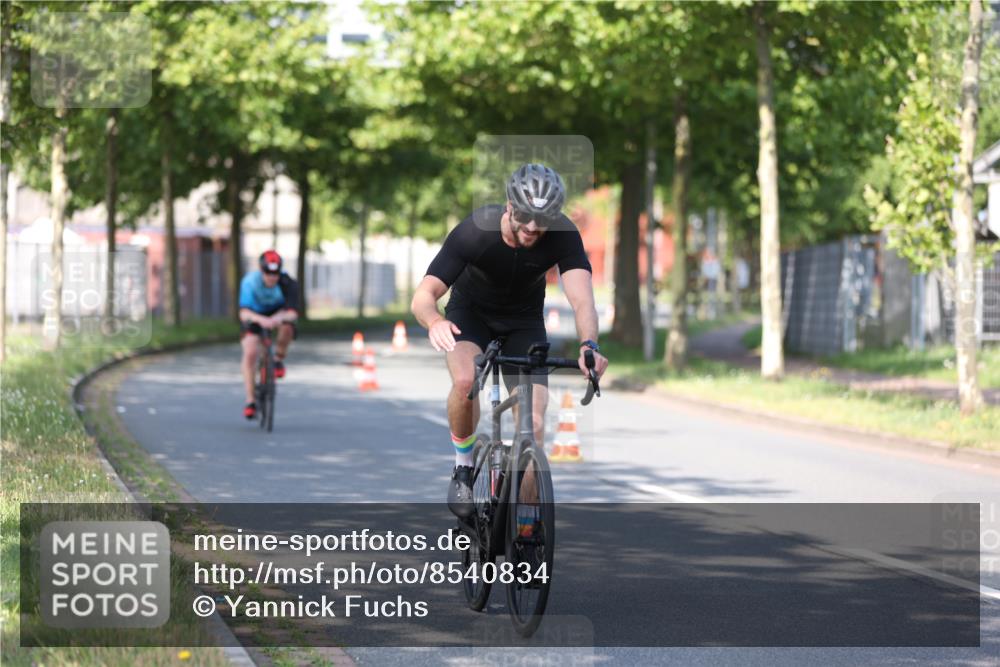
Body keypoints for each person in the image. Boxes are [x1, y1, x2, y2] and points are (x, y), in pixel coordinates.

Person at [411, 164, 609, 518]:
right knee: (466, 380)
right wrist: (435, 320)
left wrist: (588, 346)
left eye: (543, 218)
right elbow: (424, 295)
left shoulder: (563, 234)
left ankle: (526, 525)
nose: (533, 227)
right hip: (470, 318)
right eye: (525, 216)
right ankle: (463, 465)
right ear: (508, 206)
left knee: (531, 426)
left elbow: (582, 300)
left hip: (523, 323)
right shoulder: (475, 232)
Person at [238, 250, 300, 420]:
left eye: (275, 273)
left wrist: (276, 318)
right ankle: (250, 400)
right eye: (268, 273)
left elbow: (293, 312)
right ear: (261, 270)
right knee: (250, 352)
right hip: (255, 315)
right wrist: (260, 320)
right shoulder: (250, 282)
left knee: (288, 328)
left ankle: (278, 359)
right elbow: (243, 312)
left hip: (278, 314)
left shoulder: (288, 283)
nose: (272, 277)